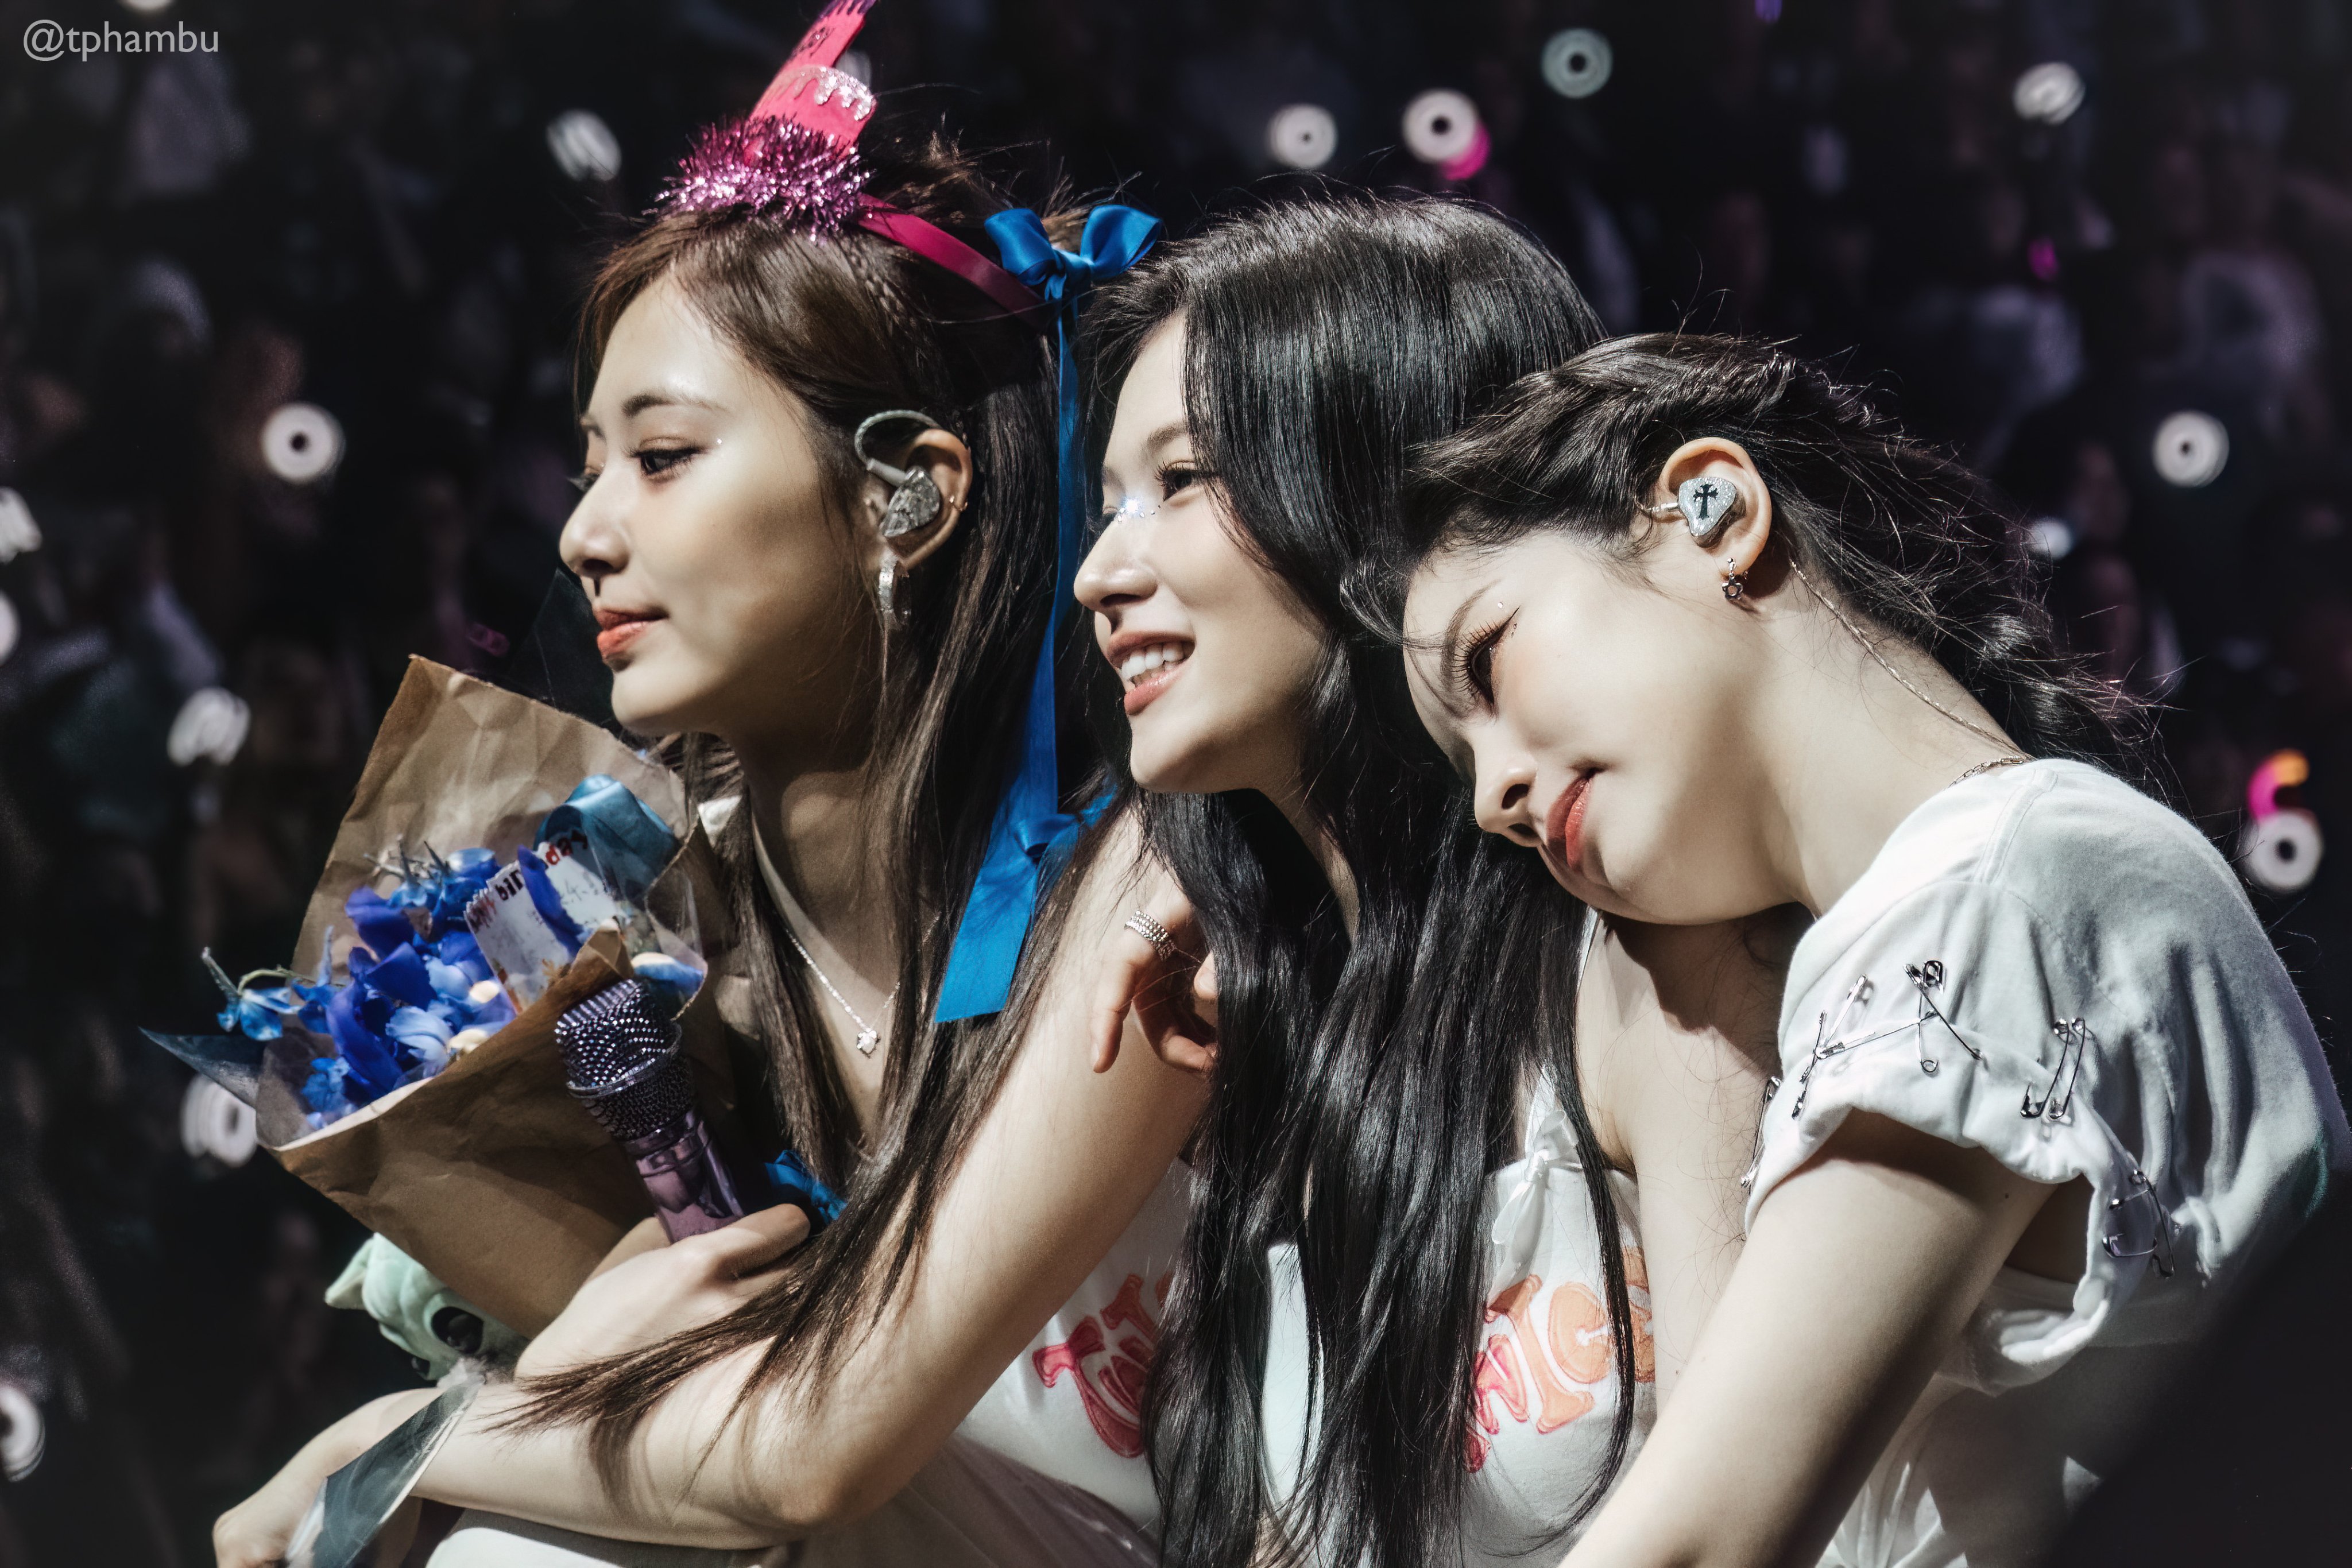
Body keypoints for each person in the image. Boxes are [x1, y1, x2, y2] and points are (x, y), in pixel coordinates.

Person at [214, 13, 1207, 1564]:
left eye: (663, 455)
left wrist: (398, 1447)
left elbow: (820, 1450)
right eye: (586, 465)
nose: (583, 533)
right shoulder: (651, 948)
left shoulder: (1138, 890)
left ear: (905, 492)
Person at [1396, 332, 2351, 1567]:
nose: (1493, 799)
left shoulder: (2004, 883)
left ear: (1713, 509)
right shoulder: (1975, 894)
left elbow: (1699, 1544)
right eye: (1463, 763)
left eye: (1487, 661)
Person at [1075, 198, 1786, 1568]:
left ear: (1376, 489)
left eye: (1181, 479)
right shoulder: (1278, 1024)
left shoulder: (1663, 979)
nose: (1099, 574)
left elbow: (1759, 1528)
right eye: (1107, 507)